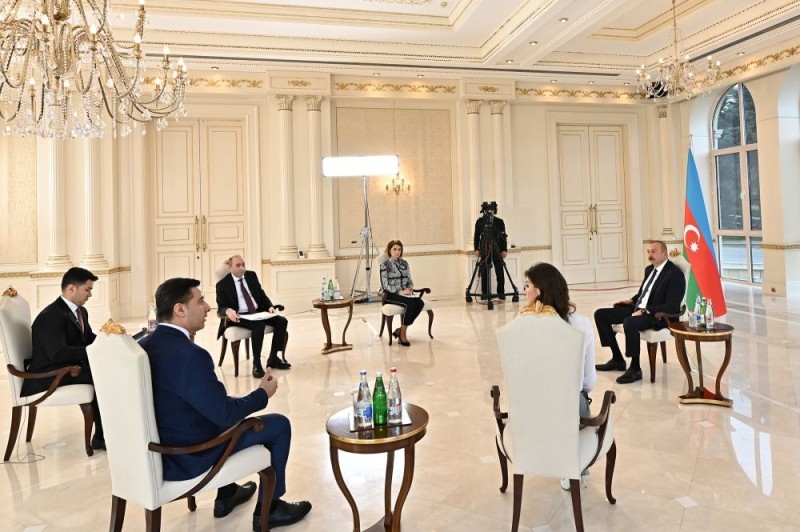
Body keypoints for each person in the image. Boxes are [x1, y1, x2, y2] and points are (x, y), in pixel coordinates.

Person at [139, 278, 311, 531]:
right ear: (180, 309)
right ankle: (272, 508)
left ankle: (227, 493)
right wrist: (262, 394)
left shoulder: (144, 345)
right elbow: (225, 415)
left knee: (226, 410)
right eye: (200, 301)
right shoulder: (191, 355)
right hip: (191, 456)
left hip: (161, 449)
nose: (208, 307)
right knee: (279, 425)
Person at [520, 262, 595, 490]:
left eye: (527, 286)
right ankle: (574, 464)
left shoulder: (522, 326)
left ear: (539, 291)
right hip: (569, 411)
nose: (524, 291)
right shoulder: (581, 324)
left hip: (531, 411)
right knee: (578, 397)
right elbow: (589, 380)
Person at [21, 267, 106, 450]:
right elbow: (58, 353)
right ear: (71, 288)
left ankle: (105, 431)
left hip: (65, 366)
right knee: (102, 374)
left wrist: (109, 343)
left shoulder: (81, 312)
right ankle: (101, 435)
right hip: (47, 375)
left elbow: (87, 338)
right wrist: (95, 352)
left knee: (105, 370)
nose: (90, 294)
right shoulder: (50, 317)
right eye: (87, 289)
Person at [594, 240, 685, 384]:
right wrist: (632, 300)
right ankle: (617, 359)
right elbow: (644, 293)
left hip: (658, 315)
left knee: (630, 322)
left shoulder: (675, 274)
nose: (650, 255)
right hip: (639, 309)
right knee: (600, 315)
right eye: (648, 252)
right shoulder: (649, 270)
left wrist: (645, 310)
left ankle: (635, 368)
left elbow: (672, 306)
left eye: (654, 251)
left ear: (664, 253)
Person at [216, 255, 290, 376]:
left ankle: (273, 358)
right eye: (238, 265)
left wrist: (269, 306)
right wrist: (229, 311)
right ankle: (257, 364)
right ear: (230, 267)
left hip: (257, 312)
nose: (242, 268)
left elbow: (261, 294)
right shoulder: (222, 285)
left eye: (243, 265)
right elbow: (221, 308)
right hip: (240, 316)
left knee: (282, 321)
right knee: (258, 325)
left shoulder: (251, 276)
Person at [379, 239, 424, 347]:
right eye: (394, 249)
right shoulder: (385, 265)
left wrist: (410, 288)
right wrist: (400, 292)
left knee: (420, 303)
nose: (397, 252)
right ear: (389, 250)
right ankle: (403, 334)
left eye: (399, 249)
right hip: (391, 294)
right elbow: (385, 285)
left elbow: (409, 280)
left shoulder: (404, 263)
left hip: (405, 293)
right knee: (411, 304)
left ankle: (400, 330)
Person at [473, 201, 508, 300]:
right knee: (484, 271)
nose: (490, 211)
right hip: (484, 249)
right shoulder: (480, 222)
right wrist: (476, 249)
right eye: (488, 209)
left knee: (500, 270)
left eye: (492, 209)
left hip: (497, 249)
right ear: (484, 210)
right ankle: (485, 293)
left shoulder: (499, 222)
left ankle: (501, 292)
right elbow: (476, 236)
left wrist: (504, 249)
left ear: (495, 210)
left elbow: (503, 237)